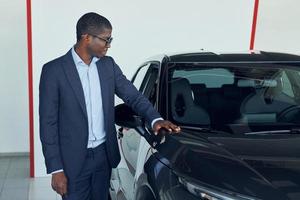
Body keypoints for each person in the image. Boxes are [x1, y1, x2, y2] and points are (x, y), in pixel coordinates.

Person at [39, 12, 180, 200]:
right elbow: (48, 124)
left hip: (103, 156)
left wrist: (155, 119)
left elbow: (133, 96)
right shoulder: (54, 71)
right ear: (86, 37)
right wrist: (56, 168)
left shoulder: (108, 66)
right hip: (72, 160)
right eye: (106, 39)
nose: (109, 45)